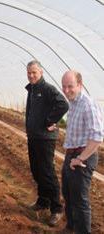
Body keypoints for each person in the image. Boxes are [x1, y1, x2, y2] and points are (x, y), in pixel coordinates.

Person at [25, 60, 69, 226]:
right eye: (29, 72)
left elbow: (63, 104)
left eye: (34, 72)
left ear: (41, 72)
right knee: (37, 171)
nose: (31, 75)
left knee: (47, 173)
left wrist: (50, 120)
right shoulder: (32, 89)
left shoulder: (47, 88)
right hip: (34, 137)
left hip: (45, 139)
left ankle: (56, 209)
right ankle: (43, 201)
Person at [61, 70, 104, 234]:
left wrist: (80, 159)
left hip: (83, 156)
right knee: (68, 193)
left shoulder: (88, 104)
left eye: (70, 86)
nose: (66, 90)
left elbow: (97, 137)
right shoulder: (73, 103)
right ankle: (71, 227)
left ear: (80, 85)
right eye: (64, 86)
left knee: (80, 200)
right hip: (71, 154)